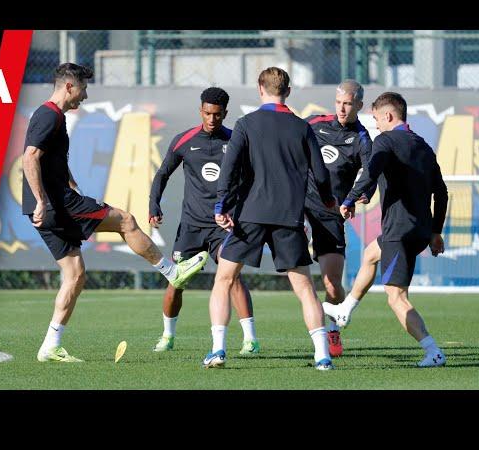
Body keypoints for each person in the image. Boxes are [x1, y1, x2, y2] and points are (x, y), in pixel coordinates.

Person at [22, 62, 207, 363]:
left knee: (75, 275)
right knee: (126, 220)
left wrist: (67, 183)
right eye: (83, 88)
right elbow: (30, 157)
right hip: (55, 204)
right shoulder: (49, 114)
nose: (85, 95)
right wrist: (43, 199)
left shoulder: (52, 116)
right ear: (69, 86)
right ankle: (174, 272)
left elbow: (48, 158)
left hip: (44, 207)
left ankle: (50, 346)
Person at [208, 67, 336, 370]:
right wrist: (329, 200)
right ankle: (323, 355)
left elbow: (229, 170)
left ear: (259, 89)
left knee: (223, 280)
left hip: (249, 215)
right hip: (288, 216)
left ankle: (217, 350)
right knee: (305, 288)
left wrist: (220, 206)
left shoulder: (246, 124)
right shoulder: (302, 127)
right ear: (288, 91)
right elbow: (320, 173)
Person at [323, 92, 448, 368]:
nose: (375, 125)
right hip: (419, 230)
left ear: (389, 116)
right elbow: (442, 193)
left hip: (398, 231)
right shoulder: (424, 146)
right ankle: (345, 310)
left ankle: (433, 351)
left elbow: (370, 171)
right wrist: (435, 232)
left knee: (396, 297)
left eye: (377, 119)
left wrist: (349, 198)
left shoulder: (386, 140)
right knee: (370, 254)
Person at [149, 87, 259, 355]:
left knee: (231, 277)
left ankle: (250, 339)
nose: (212, 119)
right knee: (176, 281)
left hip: (222, 227)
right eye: (208, 113)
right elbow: (162, 174)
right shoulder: (184, 140)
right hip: (191, 226)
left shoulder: (235, 141)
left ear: (225, 114)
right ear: (201, 111)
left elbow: (251, 180)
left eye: (218, 115)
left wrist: (240, 213)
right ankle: (167, 335)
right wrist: (154, 204)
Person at [304, 80, 374, 357]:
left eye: (348, 104)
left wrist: (359, 196)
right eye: (339, 103)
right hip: (298, 206)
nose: (342, 109)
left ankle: (333, 331)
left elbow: (371, 173)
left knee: (332, 284)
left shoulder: (362, 138)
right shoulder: (313, 123)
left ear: (358, 105)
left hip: (330, 213)